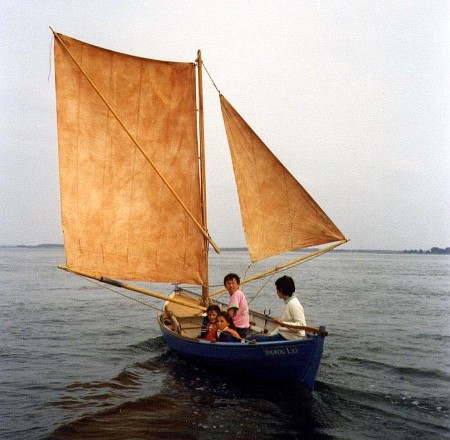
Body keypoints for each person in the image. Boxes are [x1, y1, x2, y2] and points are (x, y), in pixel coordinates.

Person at [248, 275, 306, 342]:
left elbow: (301, 325)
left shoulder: (293, 304)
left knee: (252, 339)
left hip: (289, 338)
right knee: (253, 337)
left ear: (281, 290)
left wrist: (282, 323)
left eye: (277, 289)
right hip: (284, 335)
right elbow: (281, 327)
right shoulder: (289, 303)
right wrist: (271, 334)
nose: (276, 292)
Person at [223, 273, 250, 338]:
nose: (231, 285)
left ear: (238, 285)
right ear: (225, 285)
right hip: (245, 328)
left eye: (233, 283)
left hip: (238, 329)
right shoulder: (240, 293)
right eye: (228, 283)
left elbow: (230, 315)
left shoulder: (236, 294)